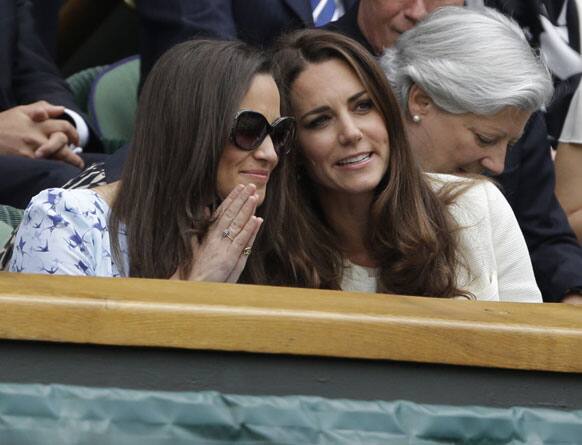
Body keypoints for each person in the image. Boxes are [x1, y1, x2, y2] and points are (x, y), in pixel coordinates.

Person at [325, 0, 582, 303]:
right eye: (485, 139)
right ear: (420, 101)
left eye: (509, 144)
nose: (497, 165)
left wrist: (573, 299)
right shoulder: (345, 165)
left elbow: (544, 235)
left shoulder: (514, 121)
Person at [258, 28, 541, 302]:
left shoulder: (478, 206)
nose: (351, 133)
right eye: (320, 121)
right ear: (290, 143)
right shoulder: (271, 250)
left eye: (363, 106)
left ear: (387, 110)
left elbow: (530, 344)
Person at [8, 39, 295, 281]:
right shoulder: (65, 220)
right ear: (189, 128)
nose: (269, 154)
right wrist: (195, 287)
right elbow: (64, 350)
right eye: (249, 129)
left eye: (279, 133)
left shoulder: (255, 235)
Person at [0, 0, 105, 209]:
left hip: (35, 155)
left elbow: (36, 73)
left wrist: (60, 124)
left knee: (137, 171)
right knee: (71, 192)